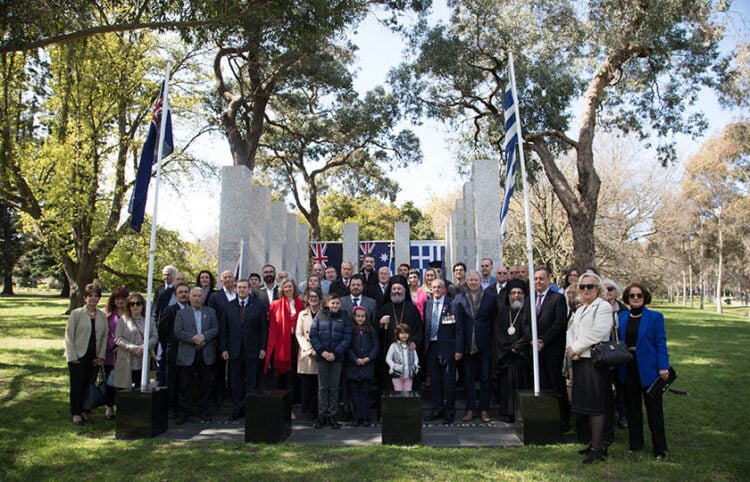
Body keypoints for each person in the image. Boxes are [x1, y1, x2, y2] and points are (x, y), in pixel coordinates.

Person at [566, 271, 614, 464]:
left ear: (598, 288)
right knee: (586, 404)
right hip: (580, 360)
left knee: (596, 406)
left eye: (590, 286)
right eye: (583, 287)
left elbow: (598, 333)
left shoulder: (602, 307)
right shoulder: (581, 309)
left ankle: (598, 448)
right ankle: (593, 443)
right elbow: (571, 330)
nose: (586, 290)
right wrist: (571, 350)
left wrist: (576, 348)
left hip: (594, 361)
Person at [619, 283, 670, 459]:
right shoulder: (622, 316)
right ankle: (635, 443)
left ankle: (659, 448)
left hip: (649, 370)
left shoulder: (655, 317)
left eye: (639, 295)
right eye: (632, 296)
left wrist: (663, 366)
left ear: (644, 297)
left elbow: (660, 343)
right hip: (628, 368)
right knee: (633, 410)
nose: (635, 298)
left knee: (654, 411)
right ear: (627, 298)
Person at [220, 279, 268, 421]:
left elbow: (264, 329)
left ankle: (250, 408)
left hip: (252, 349)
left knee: (252, 380)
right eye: (239, 287)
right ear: (235, 289)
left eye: (244, 287)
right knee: (236, 381)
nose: (241, 290)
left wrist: (263, 348)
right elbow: (224, 328)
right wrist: (223, 348)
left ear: (249, 289)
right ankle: (238, 408)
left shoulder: (258, 305)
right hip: (234, 350)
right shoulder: (228, 306)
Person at [454, 271, 496, 422]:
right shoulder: (459, 299)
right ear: (467, 282)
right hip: (467, 345)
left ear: (480, 282)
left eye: (475, 280)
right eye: (470, 280)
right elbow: (457, 325)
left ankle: (484, 409)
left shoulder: (490, 298)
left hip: (484, 344)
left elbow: (494, 321)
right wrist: (458, 348)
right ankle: (470, 409)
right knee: (469, 378)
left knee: (485, 377)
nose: (473, 282)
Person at [174, 287, 220, 424]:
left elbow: (216, 328)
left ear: (203, 298)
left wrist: (203, 336)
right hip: (188, 353)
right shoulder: (181, 313)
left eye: (199, 296)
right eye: (194, 296)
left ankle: (203, 411)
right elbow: (177, 331)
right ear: (189, 297)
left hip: (205, 353)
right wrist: (193, 338)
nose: (197, 298)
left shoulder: (211, 312)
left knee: (205, 385)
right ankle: (184, 412)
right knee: (185, 386)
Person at [64, 283, 108, 425]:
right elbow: (69, 336)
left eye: (96, 296)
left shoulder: (102, 316)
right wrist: (72, 356)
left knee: (89, 385)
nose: (93, 299)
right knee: (77, 385)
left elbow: (104, 337)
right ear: (85, 298)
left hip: (93, 357)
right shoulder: (76, 314)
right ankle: (76, 413)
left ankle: (85, 410)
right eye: (90, 296)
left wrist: (101, 356)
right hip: (78, 356)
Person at [533, 267, 570, 430]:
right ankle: (544, 418)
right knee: (541, 385)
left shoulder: (558, 298)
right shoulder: (530, 299)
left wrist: (543, 340)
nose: (538, 282)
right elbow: (527, 322)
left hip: (552, 350)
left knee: (556, 385)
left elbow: (559, 323)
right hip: (535, 351)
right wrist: (534, 340)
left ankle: (562, 420)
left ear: (548, 280)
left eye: (541, 278)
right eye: (535, 279)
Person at [423, 279, 462, 424]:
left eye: (439, 287)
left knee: (449, 382)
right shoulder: (427, 304)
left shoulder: (453, 304)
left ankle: (449, 412)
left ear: (444, 289)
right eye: (434, 287)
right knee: (435, 381)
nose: (436, 290)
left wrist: (458, 350)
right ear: (430, 289)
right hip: (431, 347)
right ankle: (438, 410)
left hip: (448, 349)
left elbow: (459, 329)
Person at [310, 292, 351, 429]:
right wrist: (322, 351)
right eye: (332, 303)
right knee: (322, 387)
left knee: (334, 387)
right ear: (328, 303)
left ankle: (332, 415)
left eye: (337, 303)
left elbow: (347, 338)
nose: (335, 305)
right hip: (322, 357)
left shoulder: (344, 318)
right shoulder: (320, 316)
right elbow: (313, 335)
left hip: (337, 358)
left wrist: (335, 352)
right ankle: (322, 415)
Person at [493, 279, 532, 423]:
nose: (516, 296)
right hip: (506, 356)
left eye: (519, 293)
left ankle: (519, 413)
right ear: (509, 295)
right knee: (506, 386)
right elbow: (498, 332)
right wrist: (508, 347)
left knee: (521, 385)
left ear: (524, 294)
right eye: (513, 293)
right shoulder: (503, 311)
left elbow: (529, 332)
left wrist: (518, 346)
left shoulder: (528, 311)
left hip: (521, 356)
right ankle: (507, 412)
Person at [265, 279, 305, 418]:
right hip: (280, 345)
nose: (288, 289)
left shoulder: (300, 304)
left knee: (291, 377)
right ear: (282, 289)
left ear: (294, 288)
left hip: (295, 344)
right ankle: (277, 408)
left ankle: (289, 408)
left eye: (290, 287)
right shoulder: (275, 305)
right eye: (285, 287)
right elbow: (271, 325)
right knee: (277, 377)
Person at [113, 292, 158, 389]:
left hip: (143, 359)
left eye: (138, 303)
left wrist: (144, 347)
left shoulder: (149, 320)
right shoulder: (123, 320)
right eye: (132, 304)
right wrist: (132, 348)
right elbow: (118, 338)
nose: (135, 306)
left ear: (143, 305)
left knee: (141, 388)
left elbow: (155, 336)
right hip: (127, 359)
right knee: (125, 388)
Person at [157, 282, 190, 416]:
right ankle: (171, 407)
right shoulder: (170, 310)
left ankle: (184, 407)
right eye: (180, 292)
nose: (183, 294)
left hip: (189, 351)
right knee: (172, 379)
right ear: (175, 295)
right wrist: (169, 345)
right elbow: (162, 331)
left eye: (186, 292)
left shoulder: (193, 309)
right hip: (174, 350)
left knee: (185, 380)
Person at [345, 306, 379, 426]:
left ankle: (365, 417)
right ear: (354, 317)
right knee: (354, 393)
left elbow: (375, 346)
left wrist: (368, 358)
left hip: (367, 366)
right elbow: (347, 347)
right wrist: (355, 359)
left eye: (362, 316)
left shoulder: (371, 330)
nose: (360, 318)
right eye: (358, 316)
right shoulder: (350, 330)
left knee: (365, 393)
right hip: (353, 367)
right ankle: (356, 417)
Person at [603, 277, 629, 430]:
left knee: (622, 384)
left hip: (621, 349)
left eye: (611, 289)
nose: (608, 292)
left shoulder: (623, 309)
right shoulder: (599, 307)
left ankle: (623, 414)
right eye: (605, 289)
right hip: (605, 350)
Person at [296, 287, 322, 421]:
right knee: (307, 385)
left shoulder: (324, 314)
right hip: (307, 354)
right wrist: (309, 350)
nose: (313, 299)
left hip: (320, 353)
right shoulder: (302, 314)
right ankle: (308, 412)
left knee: (319, 385)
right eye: (311, 296)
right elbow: (299, 334)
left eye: (316, 296)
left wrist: (319, 350)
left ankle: (318, 410)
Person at [102, 287, 128, 419]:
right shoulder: (106, 314)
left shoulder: (131, 313)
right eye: (117, 298)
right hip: (111, 353)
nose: (120, 301)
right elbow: (103, 333)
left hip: (127, 353)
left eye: (123, 298)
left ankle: (123, 406)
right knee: (110, 381)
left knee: (124, 381)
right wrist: (112, 346)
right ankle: (109, 407)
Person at [385, 323, 419, 391]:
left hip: (409, 375)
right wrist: (393, 366)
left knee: (408, 393)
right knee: (398, 393)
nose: (404, 335)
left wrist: (415, 366)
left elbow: (416, 357)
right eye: (402, 333)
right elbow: (388, 358)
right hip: (397, 376)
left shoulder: (411, 345)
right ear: (397, 334)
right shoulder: (393, 346)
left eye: (406, 333)